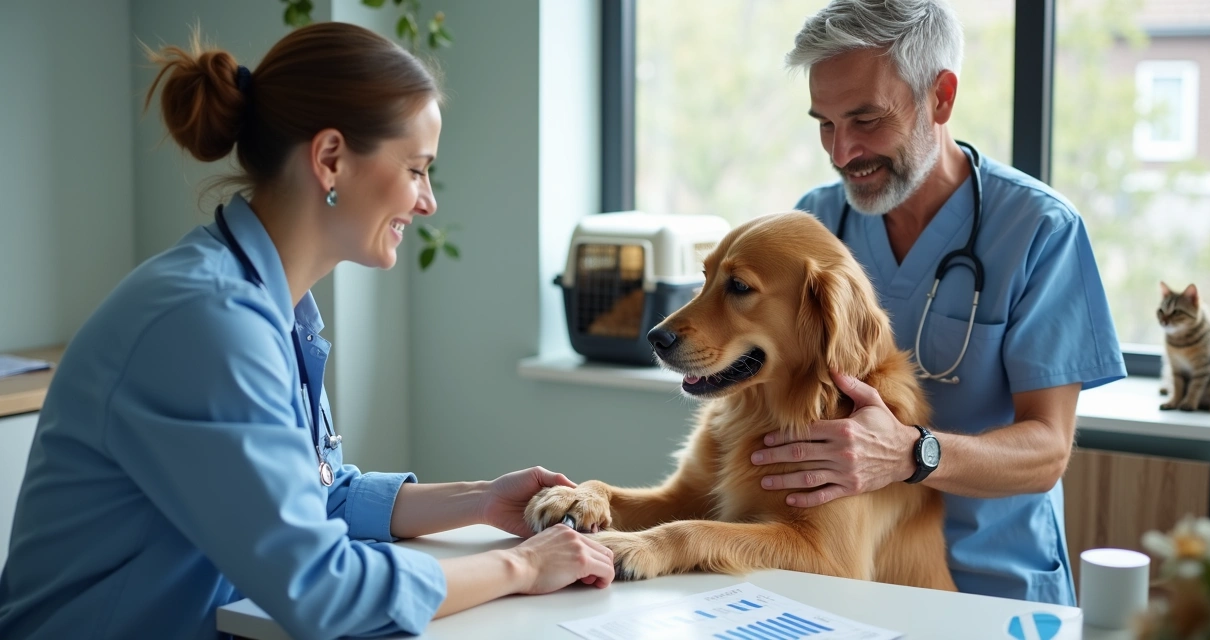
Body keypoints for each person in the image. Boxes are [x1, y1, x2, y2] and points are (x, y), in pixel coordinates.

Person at [0, 22, 613, 640]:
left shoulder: (272, 306)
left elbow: (316, 495)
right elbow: (322, 589)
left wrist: (480, 501)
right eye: (416, 169)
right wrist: (519, 564)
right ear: (329, 160)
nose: (426, 201)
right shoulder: (207, 323)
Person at [749, 0, 1126, 605]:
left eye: (867, 120)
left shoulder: (1037, 230)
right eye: (824, 122)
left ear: (940, 98)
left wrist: (910, 453)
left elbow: (1048, 450)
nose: (841, 152)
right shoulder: (816, 224)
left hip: (993, 588)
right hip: (844, 580)